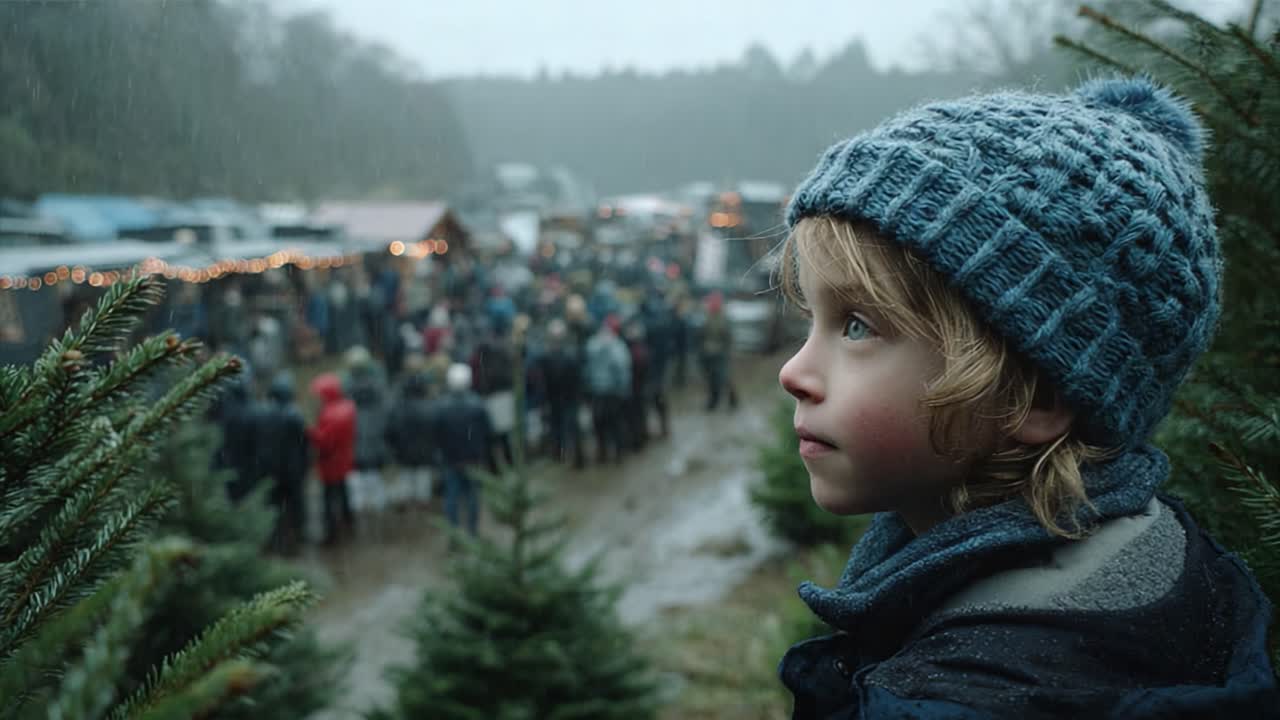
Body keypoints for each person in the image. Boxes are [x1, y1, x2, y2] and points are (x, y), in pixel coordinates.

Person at [773, 77, 1278, 718]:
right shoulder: (1155, 563)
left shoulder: (961, 696)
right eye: (810, 320)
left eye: (857, 326)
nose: (794, 371)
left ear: (1034, 394)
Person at [430, 363, 493, 537]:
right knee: (472, 496)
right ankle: (472, 531)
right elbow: (488, 432)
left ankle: (454, 532)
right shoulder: (478, 405)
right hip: (472, 458)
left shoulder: (441, 406)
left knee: (452, 497)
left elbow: (435, 434)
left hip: (451, 459)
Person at [258, 373, 310, 554]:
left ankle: (276, 539)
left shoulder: (263, 415)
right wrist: (304, 467)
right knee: (296, 506)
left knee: (275, 506)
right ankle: (298, 537)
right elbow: (304, 445)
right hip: (293, 470)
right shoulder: (295, 416)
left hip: (272, 469)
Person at [308, 372, 356, 546]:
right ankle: (349, 521)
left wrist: (310, 433)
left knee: (328, 497)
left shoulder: (330, 414)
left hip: (330, 463)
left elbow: (324, 442)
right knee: (343, 492)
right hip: (343, 458)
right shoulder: (347, 406)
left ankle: (331, 533)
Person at [537, 318, 586, 468]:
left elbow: (543, 382)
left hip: (557, 399)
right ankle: (576, 458)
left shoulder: (546, 358)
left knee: (558, 428)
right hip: (567, 399)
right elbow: (578, 379)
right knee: (570, 429)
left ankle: (560, 455)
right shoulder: (570, 356)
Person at [584, 314, 631, 465]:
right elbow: (622, 368)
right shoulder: (617, 346)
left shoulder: (591, 345)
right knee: (616, 423)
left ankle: (602, 453)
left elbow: (587, 369)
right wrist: (624, 388)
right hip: (613, 391)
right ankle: (619, 454)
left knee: (599, 424)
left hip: (597, 391)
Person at [385, 371, 437, 508]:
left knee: (406, 483)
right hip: (425, 452)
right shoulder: (430, 407)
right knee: (423, 485)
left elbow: (390, 431)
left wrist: (394, 448)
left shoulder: (397, 408)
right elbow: (435, 430)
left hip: (403, 453)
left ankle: (409, 514)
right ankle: (422, 511)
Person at [698, 291, 737, 411]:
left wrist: (726, 352)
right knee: (711, 380)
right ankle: (713, 402)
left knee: (724, 378)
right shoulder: (705, 317)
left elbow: (728, 338)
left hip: (720, 354)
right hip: (707, 353)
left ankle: (732, 400)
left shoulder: (724, 318)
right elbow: (701, 336)